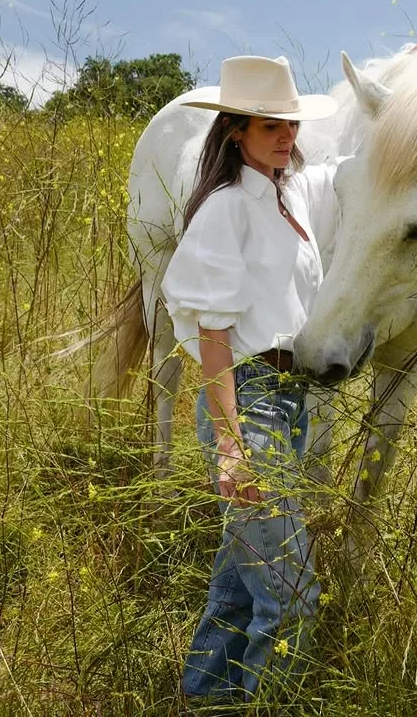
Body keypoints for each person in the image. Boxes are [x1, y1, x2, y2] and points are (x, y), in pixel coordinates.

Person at [160, 54, 341, 710]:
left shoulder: (287, 195)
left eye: (290, 125)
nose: (286, 137)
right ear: (236, 130)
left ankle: (204, 698)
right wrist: (232, 447)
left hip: (289, 402)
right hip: (250, 403)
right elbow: (214, 339)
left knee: (240, 583)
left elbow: (352, 174)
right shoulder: (229, 208)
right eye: (270, 127)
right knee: (291, 592)